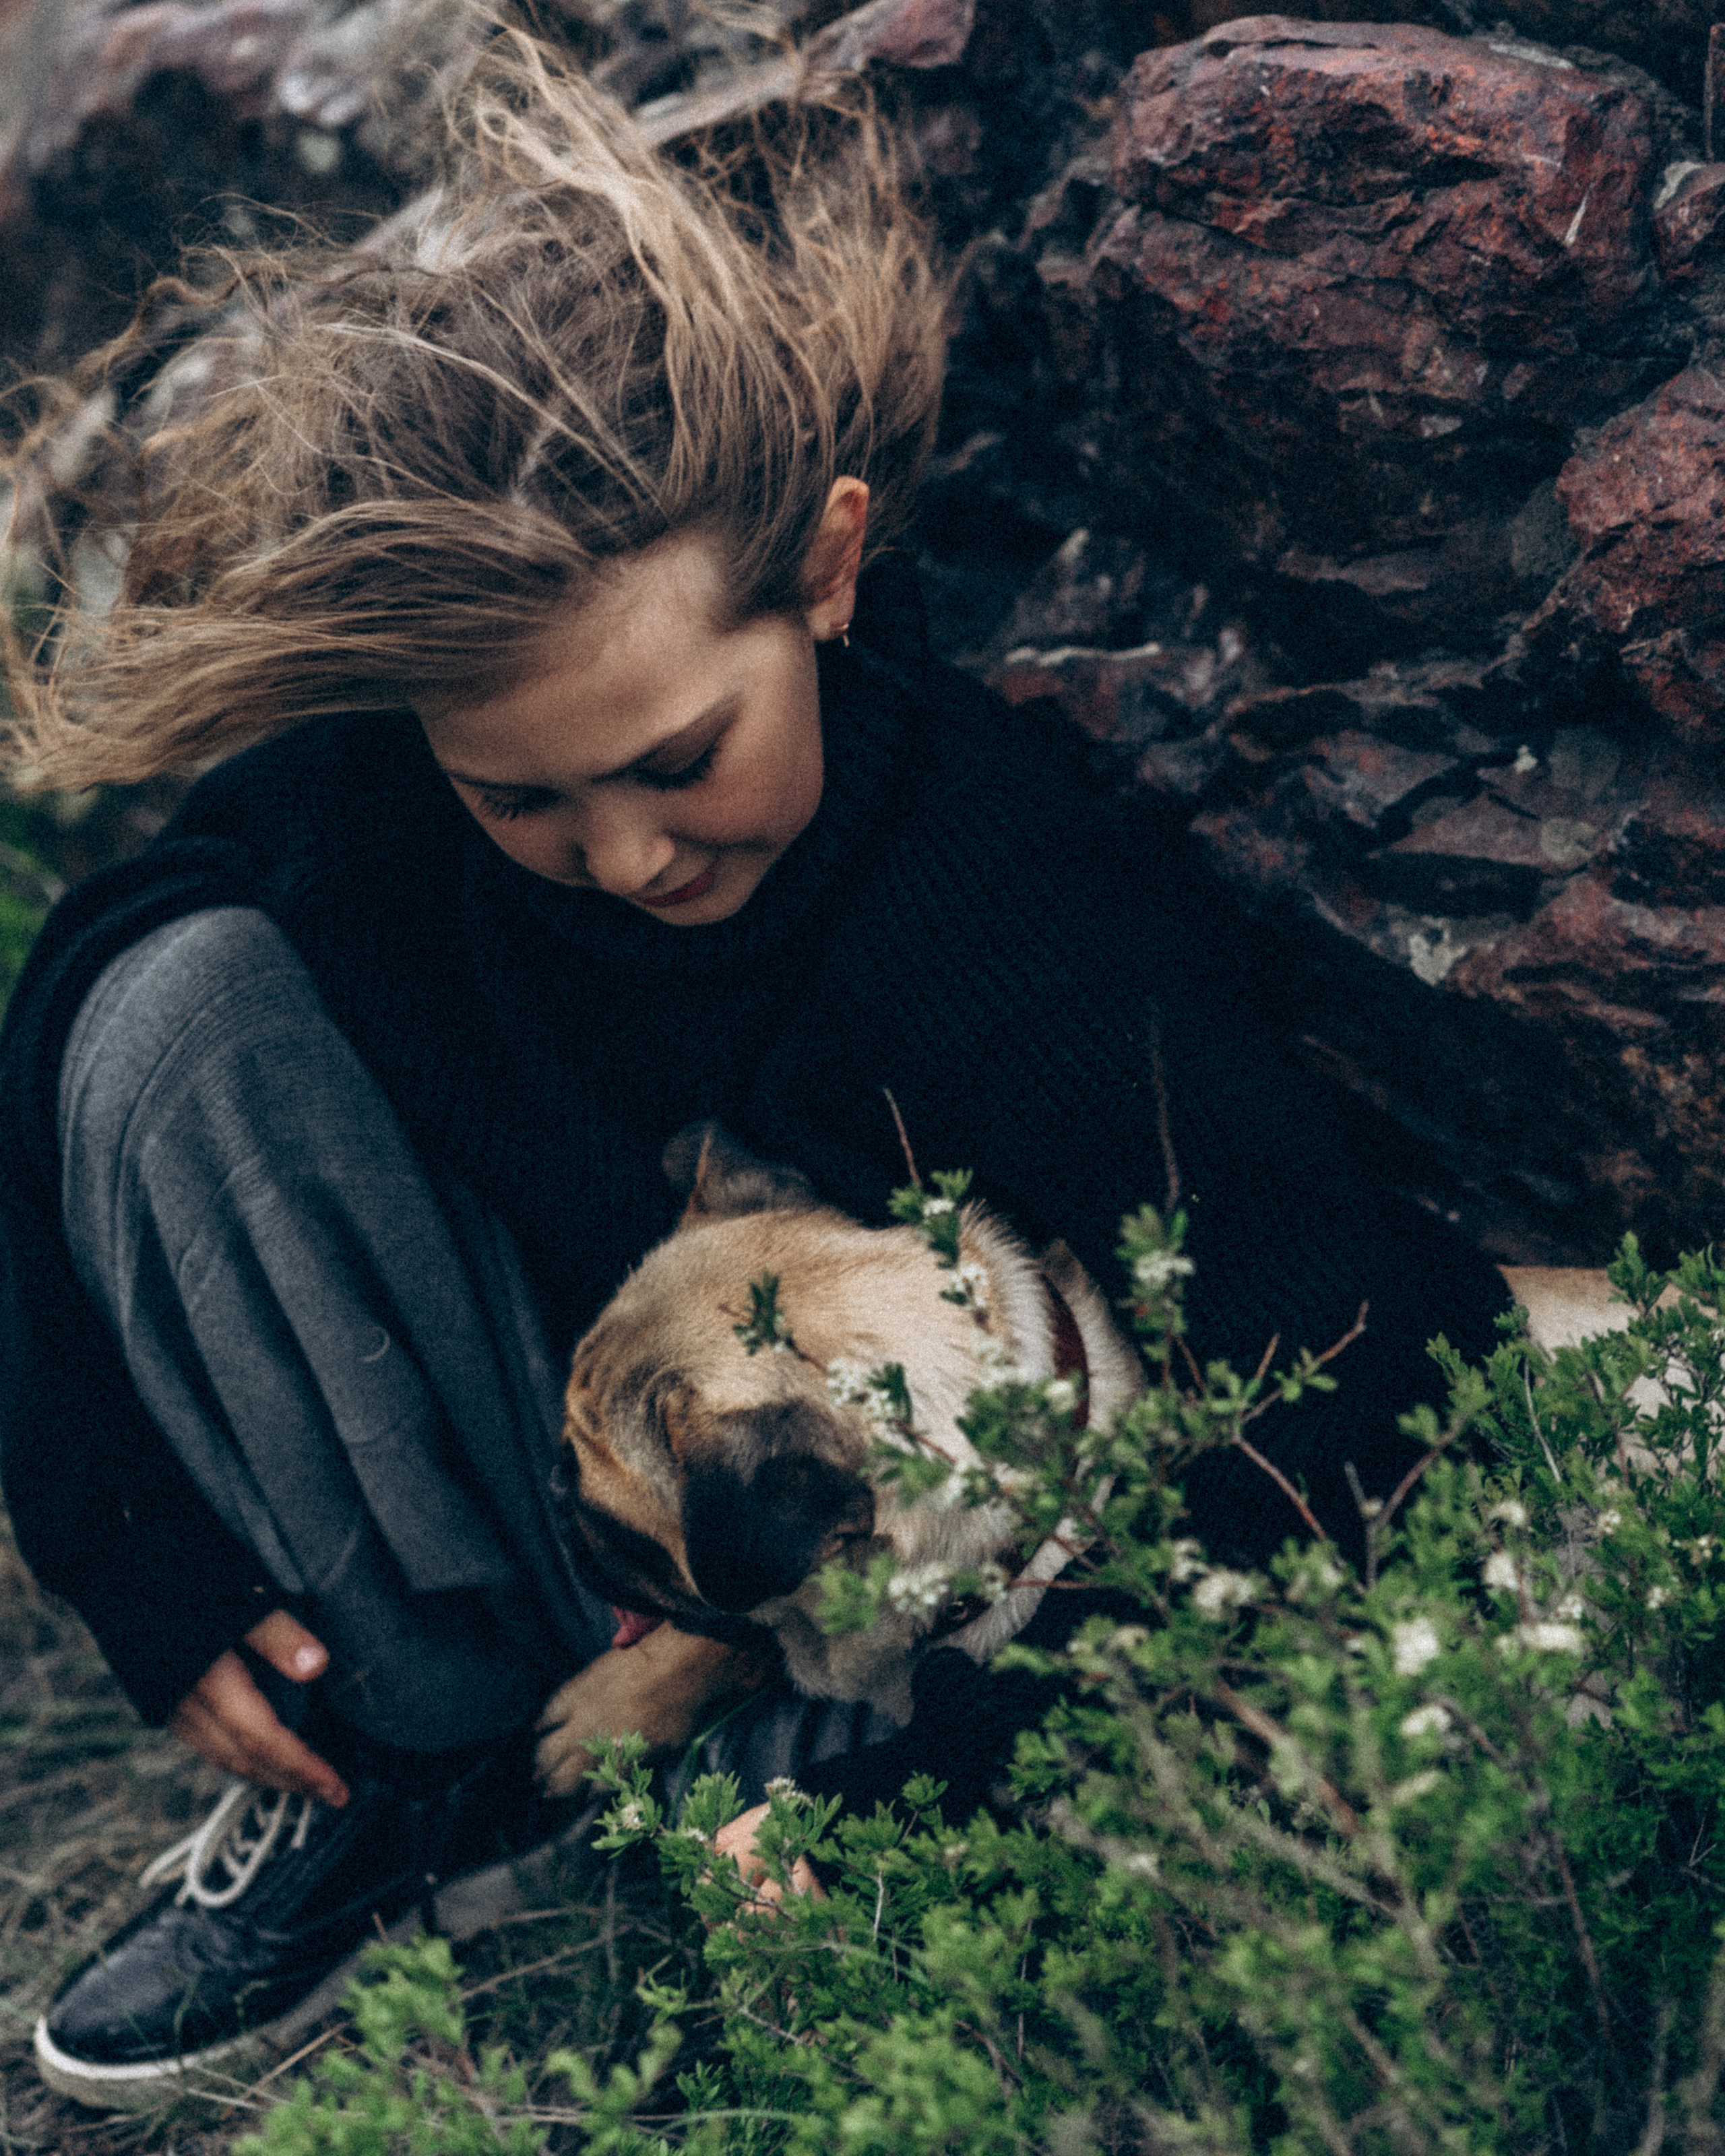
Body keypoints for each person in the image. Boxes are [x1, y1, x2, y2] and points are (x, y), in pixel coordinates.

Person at [0, 28, 1510, 2110]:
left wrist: (961, 1774)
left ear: (826, 569)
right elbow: (65, 982)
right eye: (522, 802)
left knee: (867, 1778)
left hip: (878, 1555)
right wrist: (129, 1556)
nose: (621, 855)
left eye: (677, 759)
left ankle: (806, 1749)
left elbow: (1350, 1340)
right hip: (565, 1482)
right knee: (157, 1004)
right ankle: (416, 1757)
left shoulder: (995, 898)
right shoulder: (399, 794)